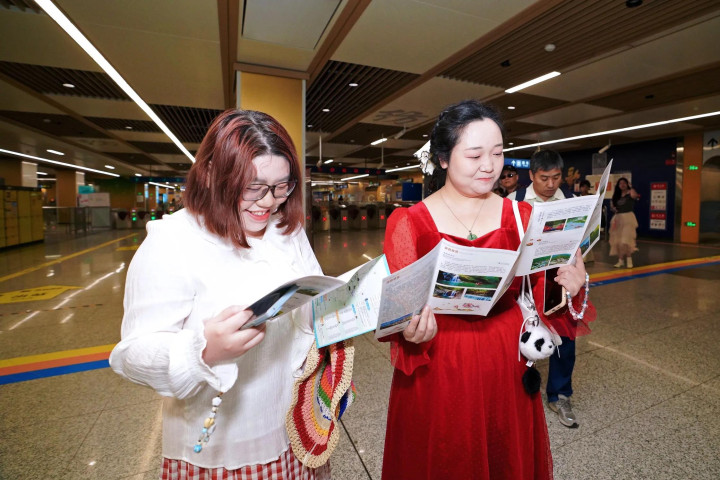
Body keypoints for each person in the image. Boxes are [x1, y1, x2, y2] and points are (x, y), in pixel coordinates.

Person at [109, 109, 331, 479]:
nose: (269, 202)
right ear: (212, 174)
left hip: (297, 426)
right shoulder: (173, 242)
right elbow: (131, 355)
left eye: (282, 186)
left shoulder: (285, 230)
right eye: (253, 186)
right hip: (226, 448)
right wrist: (204, 350)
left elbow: (312, 301)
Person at [380, 100, 594, 479]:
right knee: (444, 455)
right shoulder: (409, 222)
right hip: (439, 360)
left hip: (505, 357)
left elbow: (544, 299)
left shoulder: (523, 216)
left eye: (497, 153)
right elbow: (398, 311)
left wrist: (569, 287)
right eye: (474, 155)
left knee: (503, 452)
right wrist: (407, 329)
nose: (490, 166)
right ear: (443, 158)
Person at [509, 149, 586, 429]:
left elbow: (583, 242)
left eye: (556, 177)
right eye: (544, 178)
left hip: (559, 280)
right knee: (516, 335)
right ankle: (513, 393)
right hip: (523, 282)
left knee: (564, 338)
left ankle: (560, 394)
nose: (551, 184)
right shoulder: (512, 202)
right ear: (531, 175)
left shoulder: (573, 202)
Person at [610, 177, 639, 268]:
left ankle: (629, 260)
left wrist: (631, 187)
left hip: (628, 218)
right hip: (618, 218)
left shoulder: (630, 192)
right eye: (620, 183)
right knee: (618, 241)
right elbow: (612, 206)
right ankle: (620, 260)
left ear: (627, 184)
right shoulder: (616, 195)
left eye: (624, 183)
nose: (622, 185)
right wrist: (613, 209)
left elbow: (635, 196)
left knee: (626, 241)